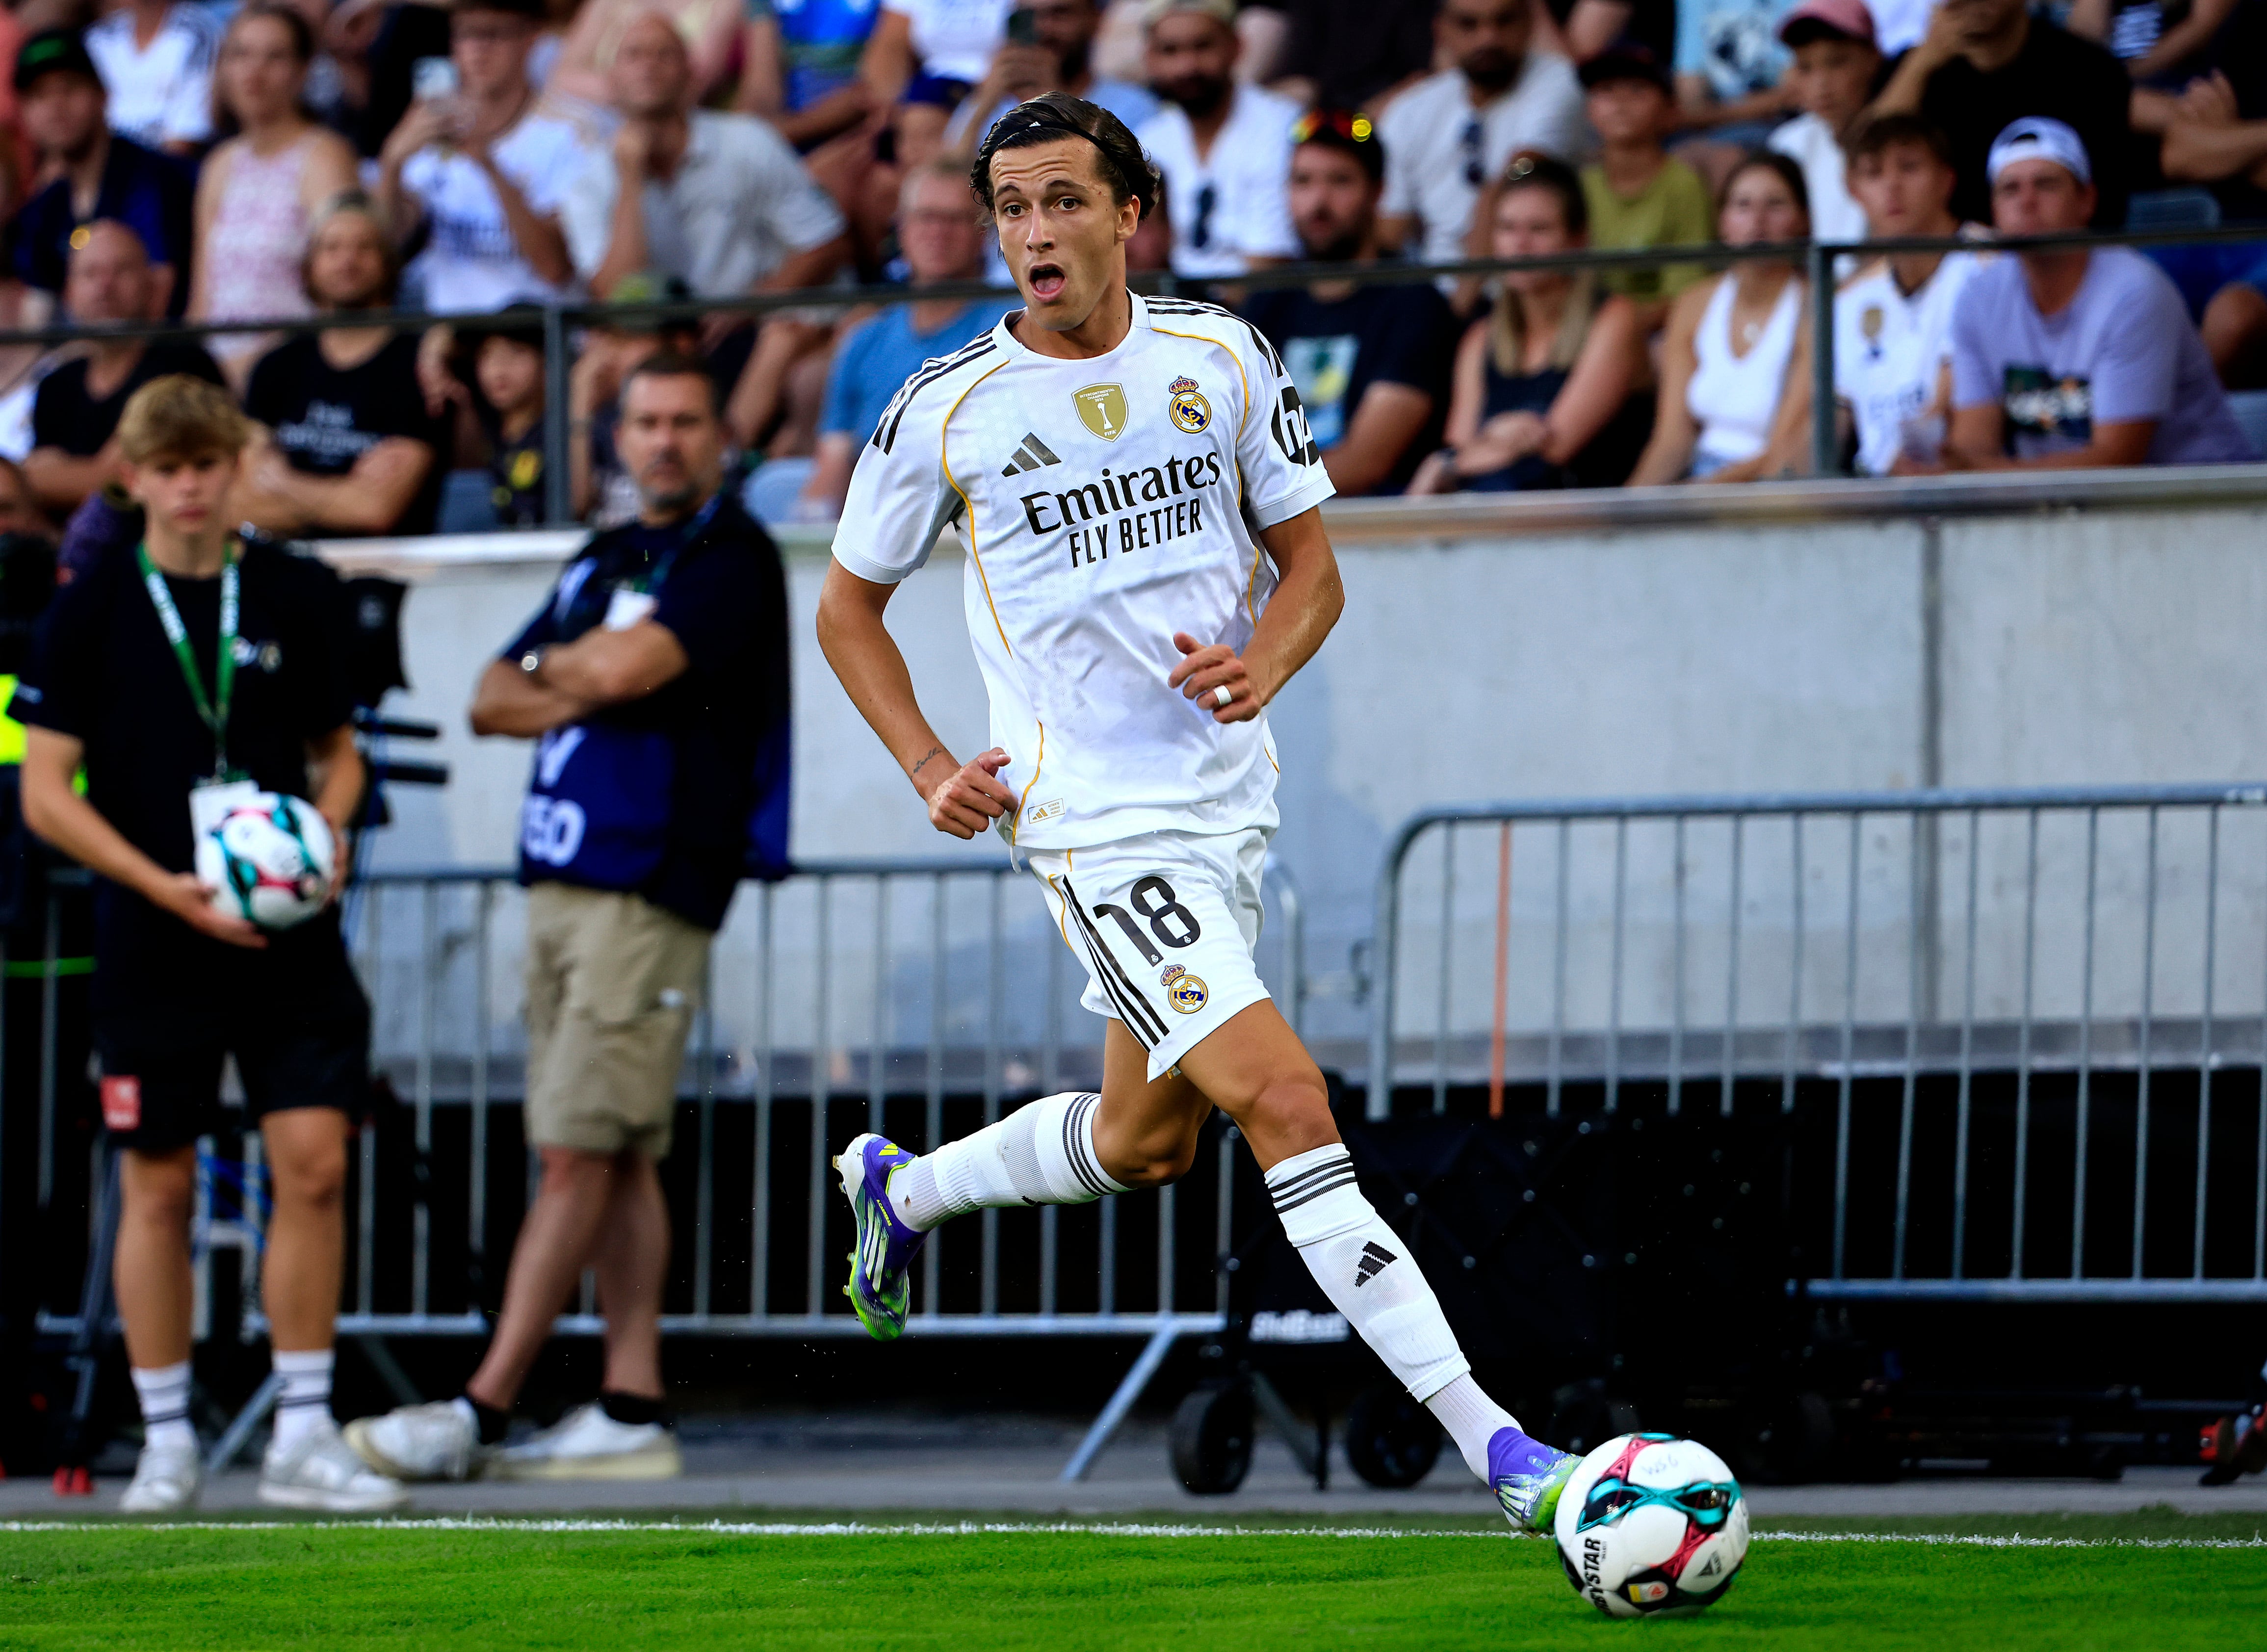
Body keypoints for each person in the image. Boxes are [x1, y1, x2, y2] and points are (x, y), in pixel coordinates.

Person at [815, 89, 1585, 1540]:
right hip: (1089, 822)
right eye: (1010, 209)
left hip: (1223, 807)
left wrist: (1264, 662)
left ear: (1128, 214)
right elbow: (848, 610)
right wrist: (930, 764)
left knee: (1145, 1141)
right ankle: (1503, 1455)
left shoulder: (1220, 357)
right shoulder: (944, 409)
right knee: (1286, 1103)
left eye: (1059, 201)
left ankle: (904, 1194)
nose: (1033, 231)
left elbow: (1314, 572)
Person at [346, 355, 790, 1485]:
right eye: (645, 421)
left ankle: (480, 1408)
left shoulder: (729, 556)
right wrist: (577, 671)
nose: (665, 441)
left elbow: (635, 667)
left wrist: (579, 671)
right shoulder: (603, 554)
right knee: (619, 1148)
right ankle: (631, 1405)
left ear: (718, 438)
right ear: (615, 438)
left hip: (649, 886)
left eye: (688, 419)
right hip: (562, 880)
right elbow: (493, 697)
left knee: (577, 1151)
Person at [13, 374, 402, 1515]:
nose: (189, 488)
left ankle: (301, 1428)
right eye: (168, 468)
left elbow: (341, 751)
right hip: (152, 931)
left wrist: (324, 830)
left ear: (236, 468)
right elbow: (46, 793)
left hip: (289, 931)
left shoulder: (294, 589)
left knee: (317, 1167)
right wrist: (166, 889)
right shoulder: (87, 605)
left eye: (207, 465)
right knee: (158, 1183)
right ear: (132, 477)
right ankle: (171, 1432)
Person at [1942, 117, 2254, 469]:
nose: (2026, 201)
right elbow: (1972, 442)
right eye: (2009, 189)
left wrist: (1988, 478)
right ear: (1994, 210)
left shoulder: (2135, 292)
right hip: (2057, 508)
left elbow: (2115, 460)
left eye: (2045, 185)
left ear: (2086, 201)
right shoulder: (1978, 297)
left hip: (2202, 503)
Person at [1239, 112, 1459, 495]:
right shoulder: (1266, 302)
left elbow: (1364, 464)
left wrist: (1241, 493)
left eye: (1339, 181)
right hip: (1274, 522)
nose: (1318, 202)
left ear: (1378, 192)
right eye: (1302, 182)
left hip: (1376, 528)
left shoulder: (1414, 301)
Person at [562, 13, 851, 303]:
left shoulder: (748, 141)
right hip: (662, 334)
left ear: (691, 74)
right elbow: (615, 296)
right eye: (633, 55)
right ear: (611, 79)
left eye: (665, 54)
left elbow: (825, 242)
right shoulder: (588, 177)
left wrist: (747, 309)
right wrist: (630, 178)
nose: (649, 64)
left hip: (755, 322)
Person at [786, 160, 1012, 522]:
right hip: (875, 530)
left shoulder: (1013, 327)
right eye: (925, 218)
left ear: (983, 233)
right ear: (902, 229)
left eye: (953, 219)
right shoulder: (863, 340)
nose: (937, 232)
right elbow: (832, 462)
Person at [1408, 154, 1645, 492]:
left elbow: (1554, 450)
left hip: (1581, 521)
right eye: (1506, 228)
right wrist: (1498, 435)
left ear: (1577, 240)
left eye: (1539, 229)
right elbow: (1457, 449)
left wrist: (1455, 459)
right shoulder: (1481, 337)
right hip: (1487, 519)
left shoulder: (1613, 317)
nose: (1520, 245)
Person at [235, 194, 448, 537]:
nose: (347, 261)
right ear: (309, 265)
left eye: (364, 248)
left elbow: (376, 511)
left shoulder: (420, 367)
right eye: (331, 249)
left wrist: (283, 483)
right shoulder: (275, 367)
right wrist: (345, 498)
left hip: (386, 573)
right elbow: (237, 506)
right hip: (280, 567)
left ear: (389, 262)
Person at [376, 0, 590, 317]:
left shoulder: (570, 133)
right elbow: (388, 243)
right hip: (452, 338)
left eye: (495, 33)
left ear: (531, 39)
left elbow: (554, 269)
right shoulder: (432, 123)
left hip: (535, 335)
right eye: (466, 34)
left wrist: (486, 162)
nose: (479, 48)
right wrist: (392, 163)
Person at [189, 6, 361, 385]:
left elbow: (344, 291)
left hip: (295, 374)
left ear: (302, 72)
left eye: (274, 57)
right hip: (217, 375)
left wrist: (258, 368)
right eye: (241, 55)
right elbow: (203, 298)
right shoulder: (219, 164)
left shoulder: (324, 157)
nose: (255, 72)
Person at [1863, 0, 2137, 228]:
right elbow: (1864, 160)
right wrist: (1921, 65)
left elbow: (2106, 208)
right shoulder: (1908, 74)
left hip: (2056, 267)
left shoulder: (2091, 72)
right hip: (1948, 270)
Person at [1629, 150, 1815, 482]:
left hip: (1769, 488)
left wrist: (1697, 497)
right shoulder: (1694, 303)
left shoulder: (1816, 306)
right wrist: (1626, 513)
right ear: (1723, 223)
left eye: (1775, 205)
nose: (1758, 221)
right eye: (1742, 206)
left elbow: (1786, 447)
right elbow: (1672, 439)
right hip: (1698, 479)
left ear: (1803, 221)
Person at [26, 221, 226, 517]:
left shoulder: (182, 367)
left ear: (152, 285)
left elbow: (119, 480)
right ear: (69, 292)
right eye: (91, 273)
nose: (105, 287)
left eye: (121, 270)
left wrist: (38, 477)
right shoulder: (57, 384)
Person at [1376, 0, 1590, 270]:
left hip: (1522, 279)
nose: (1488, 38)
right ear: (1441, 31)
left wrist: (1462, 301)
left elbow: (1517, 176)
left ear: (1529, 22)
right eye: (1469, 24)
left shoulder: (1560, 81)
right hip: (1431, 287)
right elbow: (1390, 229)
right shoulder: (1412, 109)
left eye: (1505, 21)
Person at [8, 28, 195, 322]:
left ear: (103, 95)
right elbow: (36, 313)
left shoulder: (153, 180)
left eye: (69, 88)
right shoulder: (46, 207)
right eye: (39, 95)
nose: (56, 107)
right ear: (24, 113)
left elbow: (159, 296)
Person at [1834, 114, 1979, 475]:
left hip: (1947, 487)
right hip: (1873, 494)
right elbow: (1829, 425)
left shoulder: (1987, 266)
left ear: (1947, 179)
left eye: (1909, 168)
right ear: (1854, 191)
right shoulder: (1848, 299)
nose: (1891, 187)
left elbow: (1944, 415)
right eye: (1873, 174)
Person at [1134, 0, 1302, 279]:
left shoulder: (1282, 125)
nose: (1188, 66)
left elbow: (1270, 260)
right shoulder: (1147, 139)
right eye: (1170, 51)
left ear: (1237, 46)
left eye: (1203, 46)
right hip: (1170, 310)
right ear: (1150, 59)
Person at [1576, 41, 1715, 313]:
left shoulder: (1684, 185)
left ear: (1670, 109)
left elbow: (1685, 293)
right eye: (1605, 90)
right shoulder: (1580, 187)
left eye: (1637, 89)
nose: (1620, 102)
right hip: (1586, 333)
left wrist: (1617, 331)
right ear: (1589, 111)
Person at [944, 0, 1158, 159]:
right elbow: (949, 185)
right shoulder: (989, 104)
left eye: (1060, 14)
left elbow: (1110, 187)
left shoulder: (1136, 106)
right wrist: (984, 102)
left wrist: (1055, 104)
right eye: (1029, 16)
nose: (1042, 29)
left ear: (1095, 20)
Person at [1767, 0, 1879, 251]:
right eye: (1805, 68)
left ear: (1874, 58)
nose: (1821, 84)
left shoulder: (1904, 141)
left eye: (1837, 62)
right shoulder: (1787, 145)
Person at [83, 0, 220, 155]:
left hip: (168, 169)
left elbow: (185, 138)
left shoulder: (199, 32)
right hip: (103, 166)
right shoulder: (97, 38)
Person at [460, 311, 550, 527]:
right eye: (487, 355)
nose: (498, 369)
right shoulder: (478, 424)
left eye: (516, 353)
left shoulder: (561, 431)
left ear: (548, 360)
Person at [1672, 0, 1798, 145]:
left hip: (1782, 126)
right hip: (1714, 132)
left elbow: (1795, 92)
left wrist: (1712, 114)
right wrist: (1764, 105)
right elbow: (1690, 107)